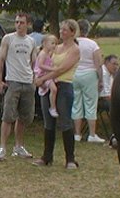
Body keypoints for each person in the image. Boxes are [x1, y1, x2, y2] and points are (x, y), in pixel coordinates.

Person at [32, 19, 81, 168]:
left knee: (65, 121)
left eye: (65, 30)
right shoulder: (55, 48)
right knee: (48, 121)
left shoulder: (74, 50)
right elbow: (45, 63)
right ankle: (47, 156)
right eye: (61, 29)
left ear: (72, 32)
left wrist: (42, 79)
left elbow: (61, 69)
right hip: (49, 85)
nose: (61, 32)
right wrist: (39, 77)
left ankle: (70, 159)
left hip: (64, 85)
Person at [0, 12, 36, 161]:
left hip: (28, 82)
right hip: (13, 82)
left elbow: (33, 62)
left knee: (24, 117)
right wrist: (0, 81)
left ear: (27, 24)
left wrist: (34, 79)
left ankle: (18, 146)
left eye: (22, 22)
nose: (18, 25)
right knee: (8, 116)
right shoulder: (8, 39)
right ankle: (2, 148)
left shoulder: (31, 41)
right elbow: (1, 60)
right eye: (17, 22)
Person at [71, 19, 105, 143]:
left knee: (76, 104)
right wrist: (101, 80)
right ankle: (92, 134)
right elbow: (98, 64)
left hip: (75, 74)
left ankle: (77, 134)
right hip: (89, 74)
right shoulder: (92, 44)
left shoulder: (73, 43)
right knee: (91, 104)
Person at [33, 34, 59, 118]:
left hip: (45, 75)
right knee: (54, 89)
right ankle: (52, 107)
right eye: (52, 43)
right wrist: (51, 69)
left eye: (55, 43)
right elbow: (40, 65)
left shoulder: (47, 53)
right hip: (42, 75)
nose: (54, 45)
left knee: (53, 89)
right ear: (45, 43)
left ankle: (52, 107)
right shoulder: (43, 54)